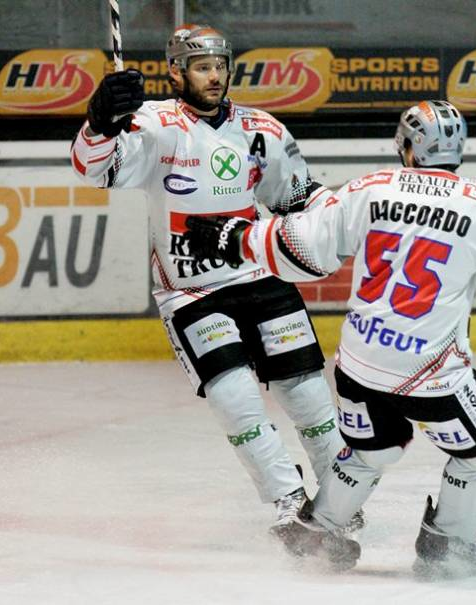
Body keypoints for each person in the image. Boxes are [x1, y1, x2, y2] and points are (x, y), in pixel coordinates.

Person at [184, 100, 476, 576]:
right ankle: (448, 545)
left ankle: (318, 530)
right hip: (429, 373)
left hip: (358, 364)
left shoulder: (370, 188)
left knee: (369, 450)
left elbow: (304, 244)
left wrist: (237, 238)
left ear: (407, 147)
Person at [70, 24, 351, 537]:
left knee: (308, 396)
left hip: (262, 277)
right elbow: (95, 172)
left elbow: (296, 195)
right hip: (192, 294)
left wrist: (347, 216)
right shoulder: (151, 123)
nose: (215, 76)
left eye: (221, 65)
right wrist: (100, 122)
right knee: (235, 400)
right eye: (202, 67)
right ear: (175, 71)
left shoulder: (259, 128)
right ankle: (288, 500)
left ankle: (342, 494)